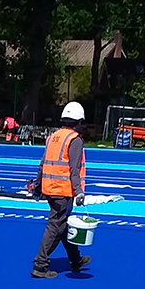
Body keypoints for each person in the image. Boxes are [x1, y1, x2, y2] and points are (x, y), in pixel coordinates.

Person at [30, 101, 91, 278]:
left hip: (51, 189)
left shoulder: (54, 136)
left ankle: (75, 259)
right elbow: (74, 170)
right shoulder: (75, 140)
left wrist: (38, 185)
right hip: (63, 191)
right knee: (55, 226)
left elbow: (43, 163)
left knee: (62, 226)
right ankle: (40, 265)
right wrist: (79, 192)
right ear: (78, 122)